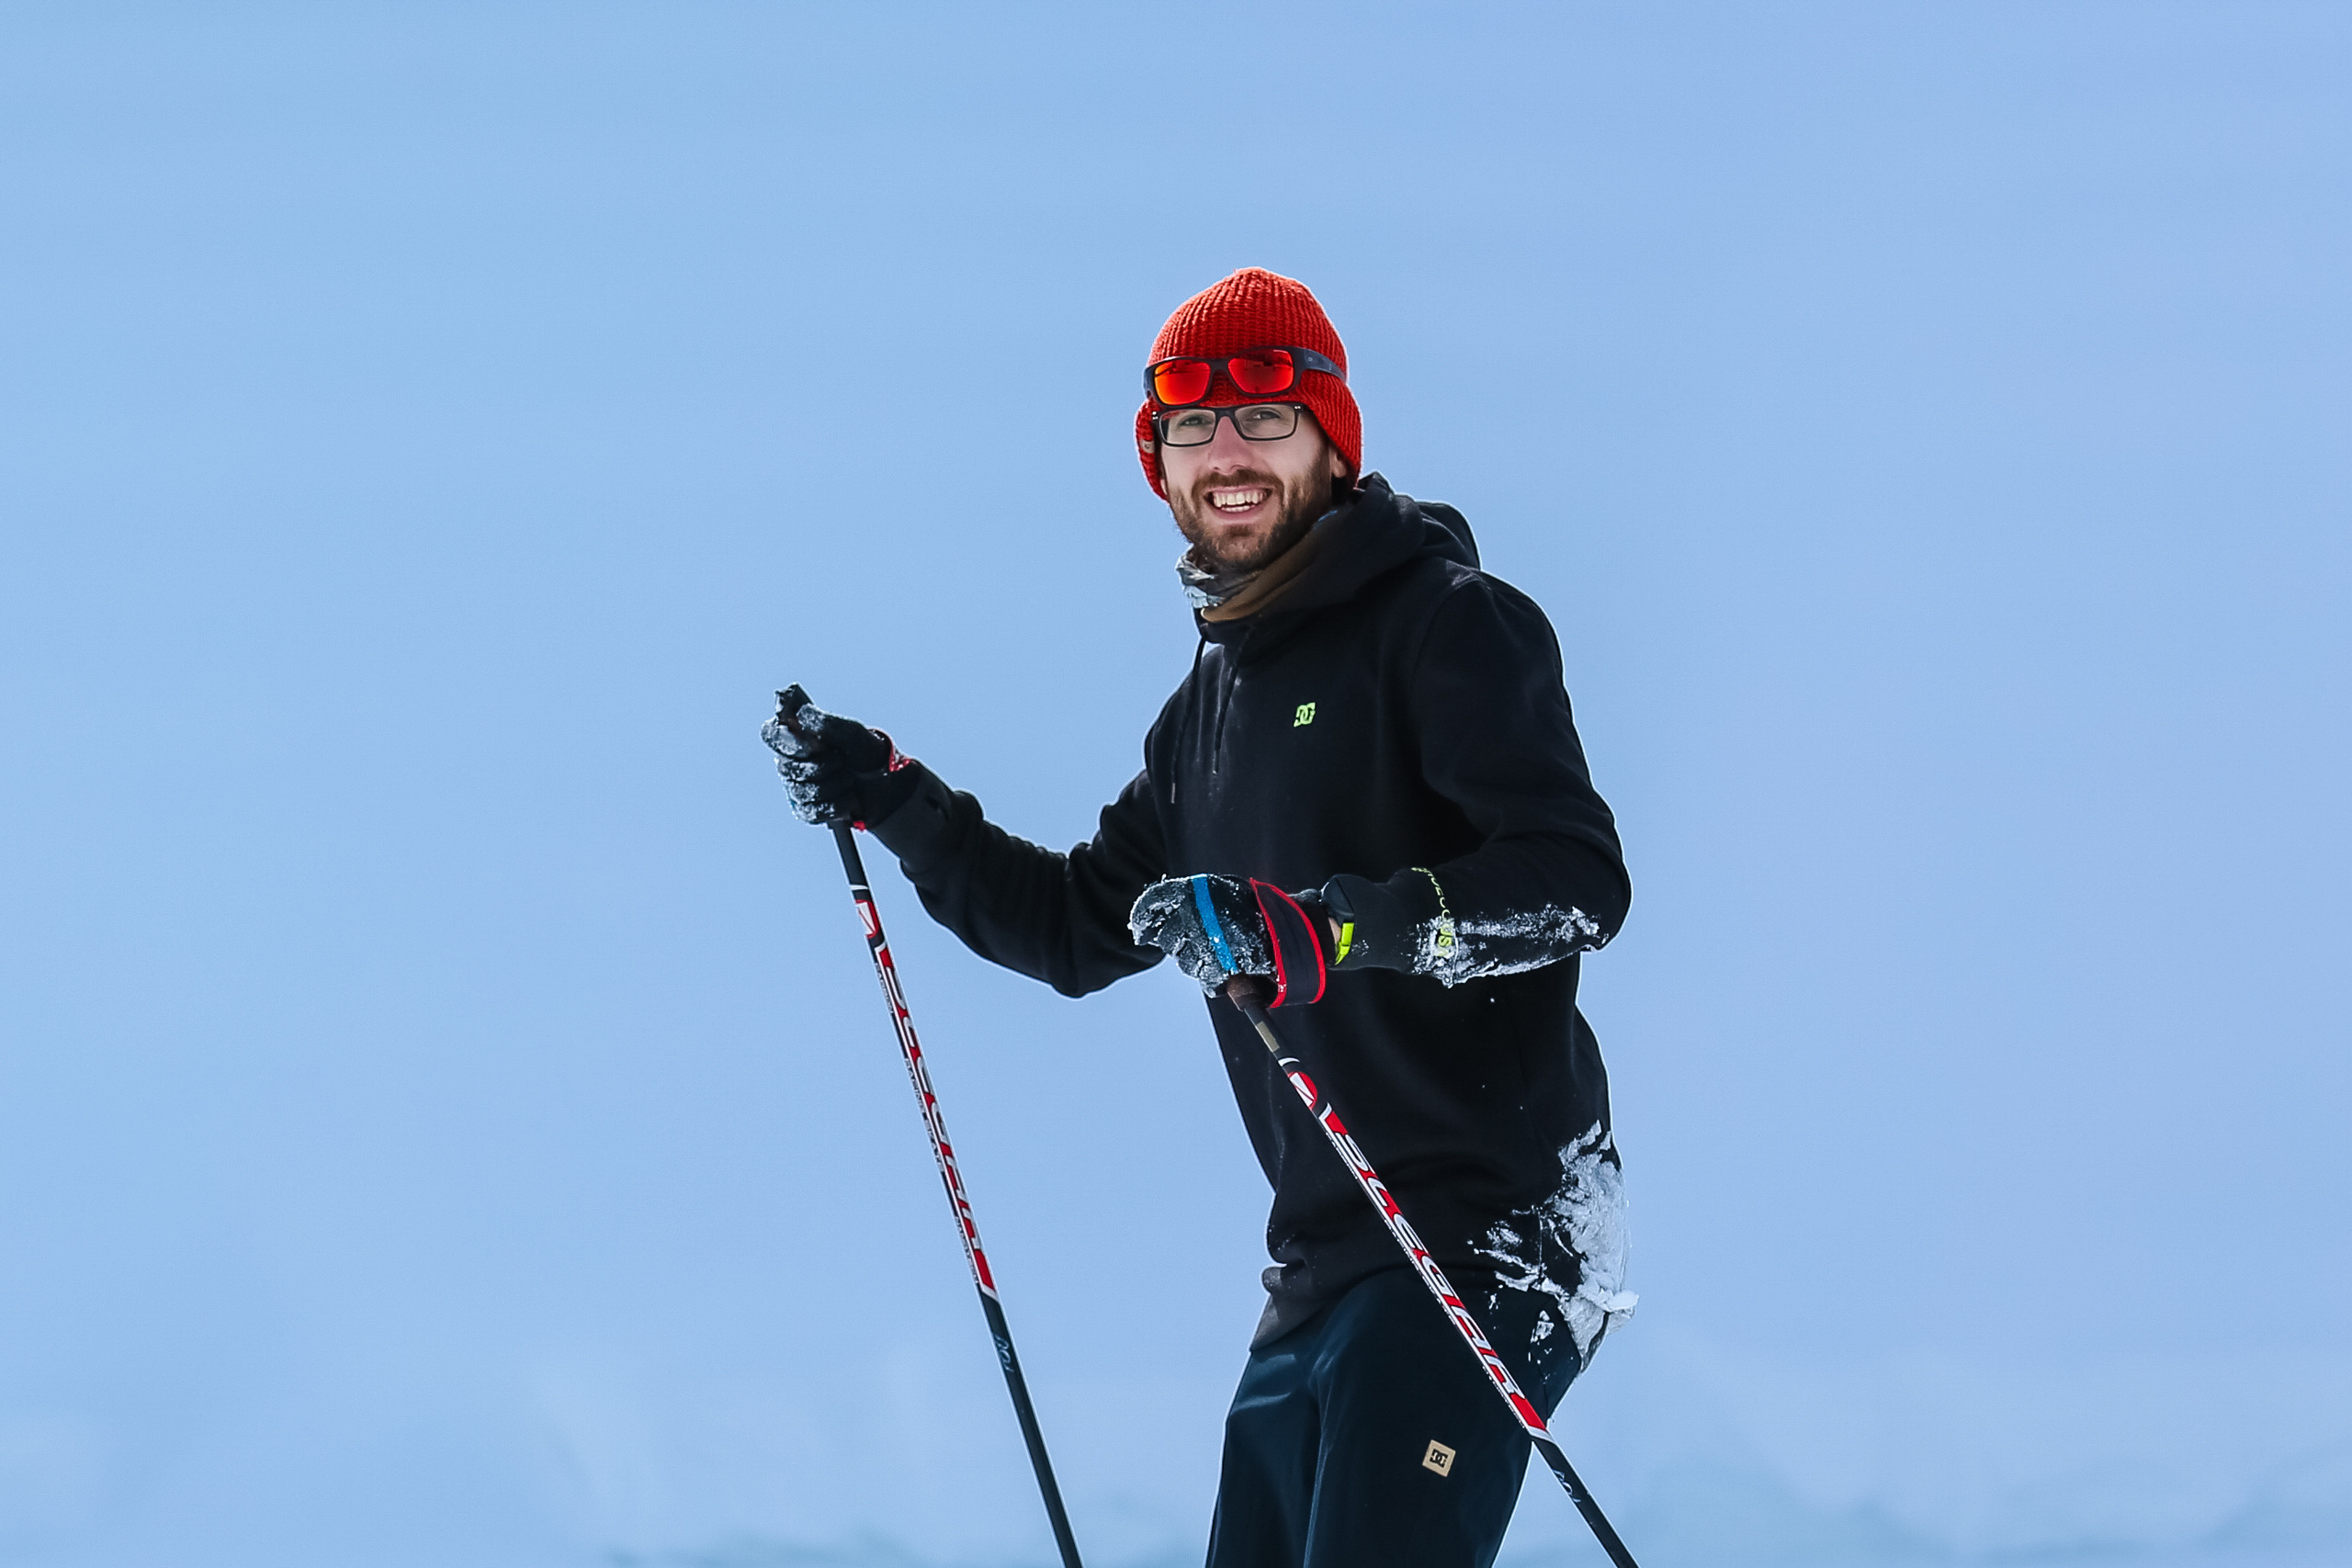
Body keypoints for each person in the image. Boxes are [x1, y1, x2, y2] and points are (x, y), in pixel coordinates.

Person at [767, 266, 1634, 1568]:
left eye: (1265, 418)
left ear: (1334, 442)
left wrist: (1328, 929)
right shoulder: (1204, 724)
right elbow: (1068, 925)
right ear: (1158, 463)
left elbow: (1574, 882)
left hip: (1486, 1232)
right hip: (1324, 1267)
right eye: (1193, 426)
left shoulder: (1451, 625)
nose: (1227, 454)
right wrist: (897, 801)